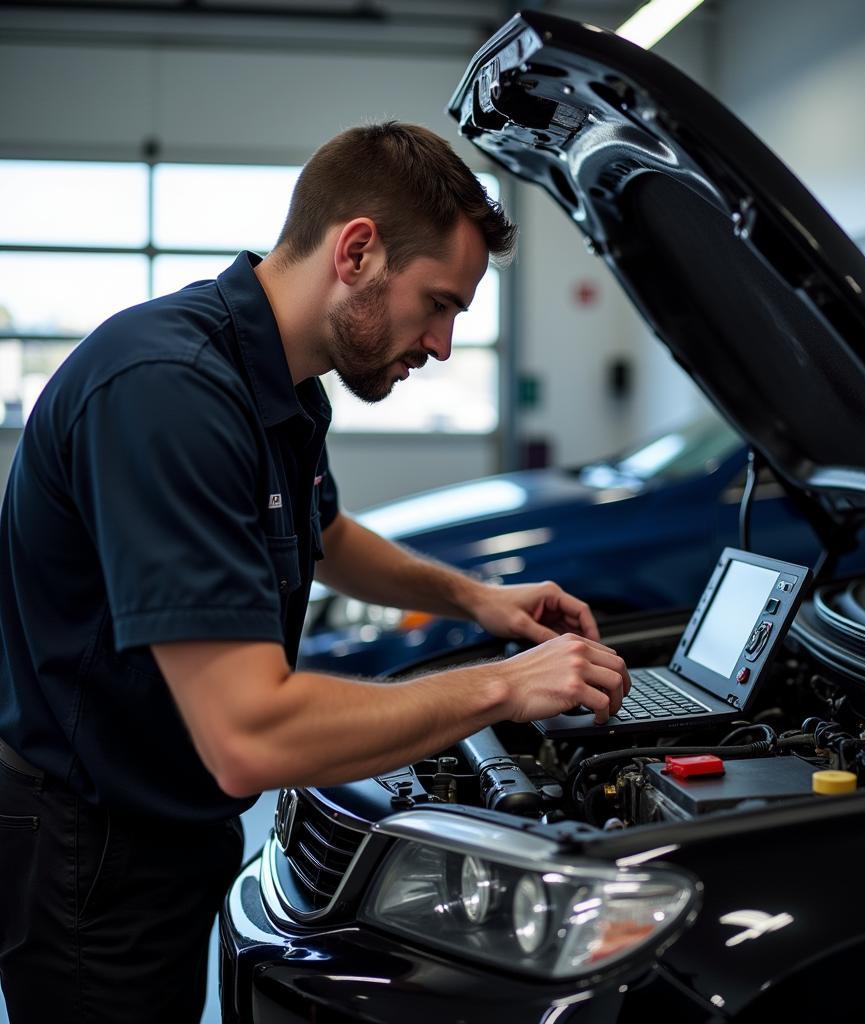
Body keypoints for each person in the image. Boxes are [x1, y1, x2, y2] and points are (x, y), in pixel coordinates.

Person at [0, 122, 628, 1022]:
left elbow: (322, 531)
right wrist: (502, 688)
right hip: (90, 852)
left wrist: (476, 599)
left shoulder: (284, 384)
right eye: (439, 304)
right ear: (359, 250)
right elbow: (250, 734)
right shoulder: (167, 392)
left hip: (167, 825)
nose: (445, 344)